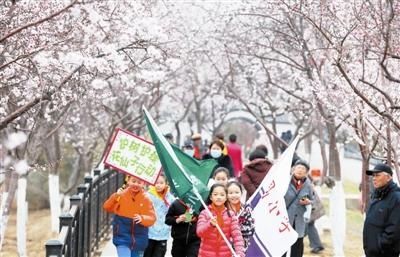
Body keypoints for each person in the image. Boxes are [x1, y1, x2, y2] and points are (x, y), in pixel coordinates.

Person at [103, 175, 156, 257]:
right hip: (122, 236)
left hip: (139, 238)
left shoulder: (146, 199)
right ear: (128, 181)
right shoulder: (121, 195)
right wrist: (115, 196)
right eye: (133, 181)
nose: (136, 184)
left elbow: (152, 218)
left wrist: (142, 218)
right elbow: (107, 207)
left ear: (144, 183)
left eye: (139, 182)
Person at [196, 183, 245, 257]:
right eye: (215, 194)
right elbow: (199, 232)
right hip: (206, 254)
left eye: (222, 195)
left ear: (226, 198)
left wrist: (239, 253)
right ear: (211, 197)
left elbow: (237, 236)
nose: (218, 197)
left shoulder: (230, 215)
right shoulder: (205, 213)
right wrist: (210, 225)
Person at [363, 163, 400, 257]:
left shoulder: (396, 198)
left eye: (377, 175)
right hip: (372, 252)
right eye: (373, 176)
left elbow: (394, 229)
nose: (374, 178)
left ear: (388, 177)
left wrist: (380, 246)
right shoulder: (377, 195)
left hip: (384, 253)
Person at [283, 160, 314, 257]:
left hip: (299, 220)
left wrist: (309, 202)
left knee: (297, 245)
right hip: (285, 218)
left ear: (306, 172)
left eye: (303, 169)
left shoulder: (308, 185)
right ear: (293, 169)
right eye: (298, 167)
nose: (300, 170)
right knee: (282, 244)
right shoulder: (285, 181)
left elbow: (314, 200)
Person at [144, 174, 175, 257]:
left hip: (163, 233)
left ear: (166, 184)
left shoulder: (170, 198)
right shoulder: (147, 196)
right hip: (149, 232)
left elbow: (177, 210)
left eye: (161, 183)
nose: (158, 185)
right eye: (156, 183)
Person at [226, 181, 255, 252]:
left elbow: (250, 230)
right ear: (226, 195)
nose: (234, 195)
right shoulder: (223, 209)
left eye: (236, 192)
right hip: (224, 246)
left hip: (240, 246)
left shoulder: (246, 209)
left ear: (241, 193)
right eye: (231, 193)